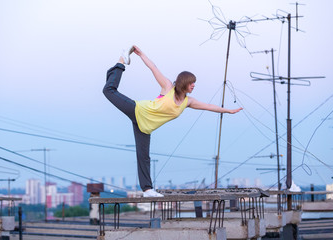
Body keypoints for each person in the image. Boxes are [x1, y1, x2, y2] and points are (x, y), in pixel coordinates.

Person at [103, 45, 243, 197]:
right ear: (184, 82)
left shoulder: (188, 102)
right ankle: (121, 61)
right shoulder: (168, 87)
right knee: (108, 90)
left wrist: (228, 111)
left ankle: (147, 190)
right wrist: (141, 54)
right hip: (138, 110)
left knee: (144, 156)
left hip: (145, 127)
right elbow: (153, 68)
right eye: (192, 83)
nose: (194, 85)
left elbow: (208, 106)